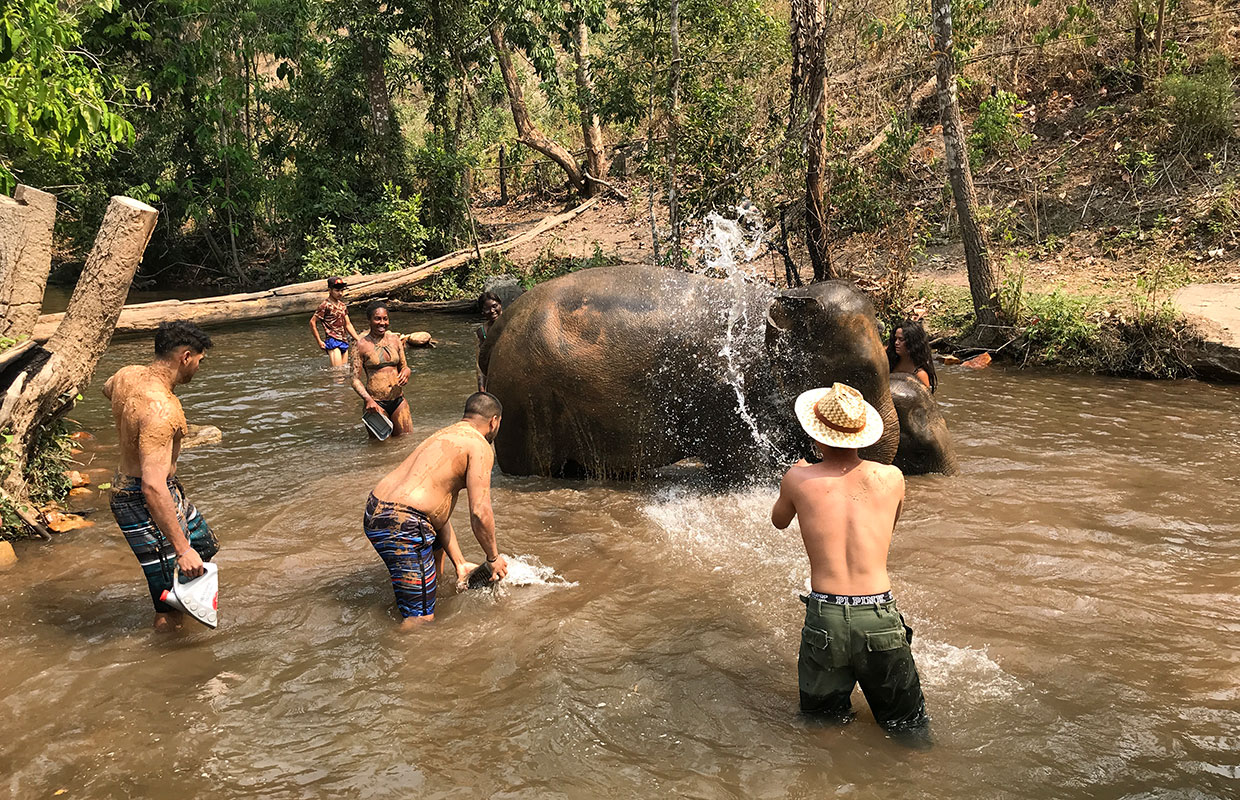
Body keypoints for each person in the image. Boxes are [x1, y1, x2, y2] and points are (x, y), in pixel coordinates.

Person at [771, 382, 929, 733]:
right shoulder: (892, 477)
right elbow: (890, 524)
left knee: (822, 728)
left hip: (825, 617)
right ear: (861, 435)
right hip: (878, 616)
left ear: (817, 435)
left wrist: (797, 476)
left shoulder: (797, 479)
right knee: (908, 727)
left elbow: (779, 521)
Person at [103, 321, 219, 632]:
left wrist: (131, 425)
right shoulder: (163, 410)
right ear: (185, 357)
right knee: (171, 595)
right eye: (199, 360)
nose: (198, 367)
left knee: (204, 545)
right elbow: (152, 486)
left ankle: (179, 591)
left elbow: (108, 389)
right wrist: (181, 549)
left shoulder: (127, 375)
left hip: (151, 486)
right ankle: (171, 658)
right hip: (142, 497)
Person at [363, 392, 510, 628]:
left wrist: (460, 563)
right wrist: (493, 558)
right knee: (421, 620)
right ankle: (409, 646)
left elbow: (436, 512)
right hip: (404, 524)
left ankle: (424, 594)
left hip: (377, 511)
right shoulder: (480, 446)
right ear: (494, 421)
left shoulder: (446, 434)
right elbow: (480, 512)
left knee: (433, 550)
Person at [351, 300, 413, 437]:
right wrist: (368, 400)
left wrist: (407, 372)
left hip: (398, 400)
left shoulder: (395, 340)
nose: (382, 323)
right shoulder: (360, 345)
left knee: (407, 442)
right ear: (369, 320)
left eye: (385, 319)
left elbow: (404, 366)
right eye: (377, 319)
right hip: (375, 404)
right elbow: (354, 380)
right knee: (380, 449)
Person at [310, 277, 360, 368]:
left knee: (344, 371)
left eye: (342, 290)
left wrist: (358, 339)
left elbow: (348, 324)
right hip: (332, 340)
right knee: (337, 372)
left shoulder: (342, 305)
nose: (340, 293)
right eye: (337, 290)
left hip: (344, 340)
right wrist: (319, 341)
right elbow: (312, 322)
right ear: (330, 290)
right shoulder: (325, 305)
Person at [887, 319, 937, 392]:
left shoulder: (920, 374)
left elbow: (925, 401)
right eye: (895, 339)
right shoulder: (889, 363)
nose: (896, 343)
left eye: (901, 339)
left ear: (913, 343)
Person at [475, 291, 502, 391]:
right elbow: (480, 361)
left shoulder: (510, 323)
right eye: (487, 309)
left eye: (495, 306)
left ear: (500, 305)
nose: (492, 311)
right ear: (482, 312)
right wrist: (481, 388)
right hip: (493, 372)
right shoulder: (482, 332)